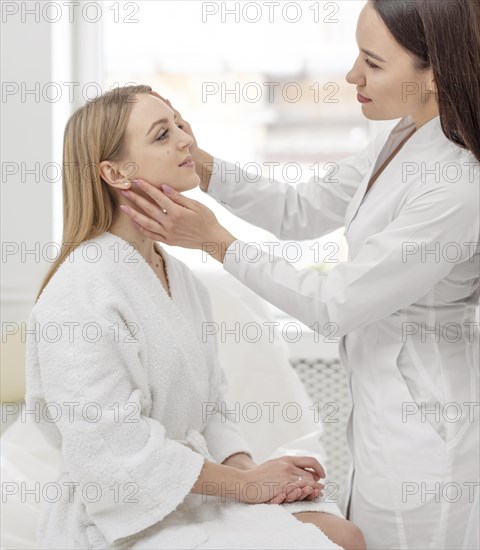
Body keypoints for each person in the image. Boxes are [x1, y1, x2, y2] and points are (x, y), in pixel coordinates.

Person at [119, 1, 480, 549]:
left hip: (426, 431)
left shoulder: (459, 183)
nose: (352, 75)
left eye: (373, 63)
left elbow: (335, 304)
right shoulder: (405, 134)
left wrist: (215, 241)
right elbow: (300, 209)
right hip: (383, 412)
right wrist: (197, 160)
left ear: (435, 74)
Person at [25, 85, 365, 550]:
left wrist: (253, 474)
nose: (187, 140)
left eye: (181, 125)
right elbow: (108, 452)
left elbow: (213, 407)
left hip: (194, 492)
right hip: (122, 516)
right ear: (114, 172)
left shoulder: (179, 276)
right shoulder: (79, 293)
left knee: (344, 532)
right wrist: (244, 485)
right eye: (163, 134)